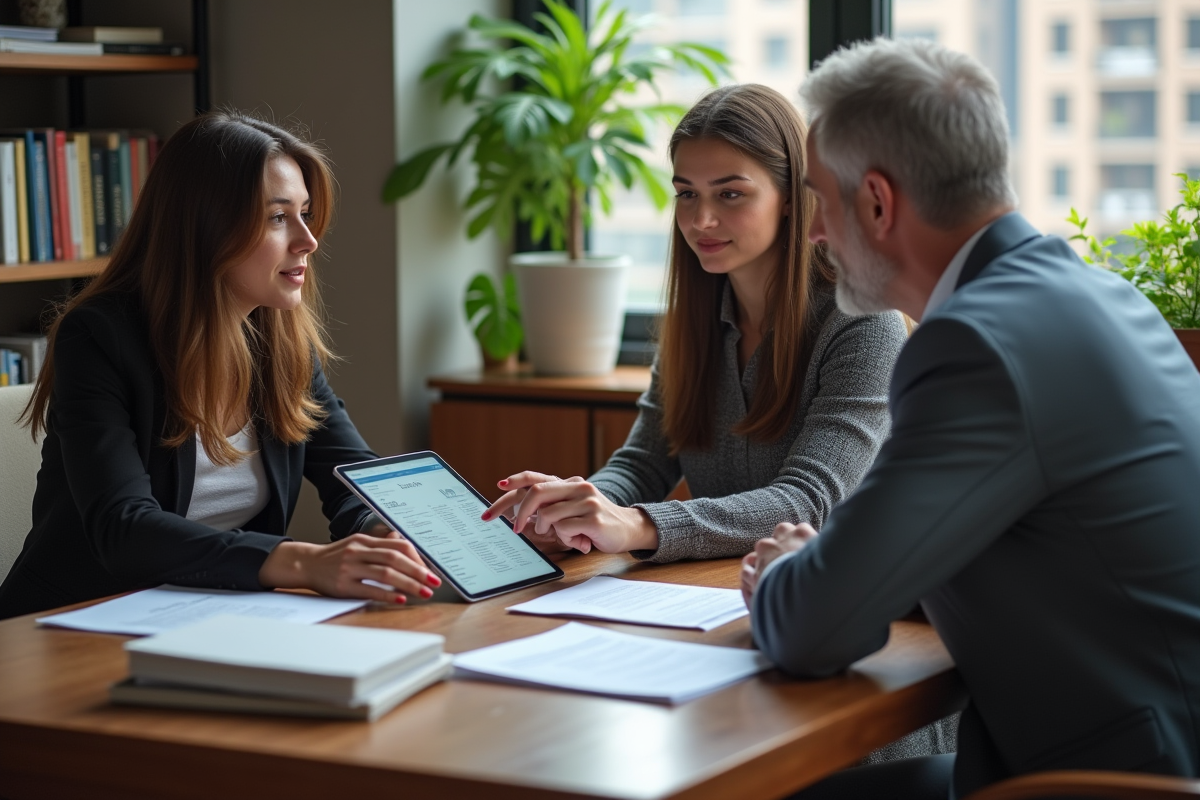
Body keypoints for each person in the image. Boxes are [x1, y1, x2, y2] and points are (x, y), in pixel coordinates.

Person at [742, 37, 1200, 799]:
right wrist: (841, 565)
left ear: (879, 203)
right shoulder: (1098, 295)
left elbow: (813, 632)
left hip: (1113, 781)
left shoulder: (974, 344)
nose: (814, 232)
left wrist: (787, 573)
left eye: (821, 199)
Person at [485, 84, 954, 763]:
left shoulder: (863, 322)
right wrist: (577, 505)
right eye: (685, 193)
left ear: (793, 195)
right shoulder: (693, 322)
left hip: (850, 681)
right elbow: (644, 463)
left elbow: (810, 503)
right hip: (728, 636)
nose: (701, 218)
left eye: (731, 193)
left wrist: (640, 526)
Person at [0, 111, 441, 620]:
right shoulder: (101, 337)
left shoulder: (278, 340)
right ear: (205, 228)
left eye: (305, 213)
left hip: (215, 615)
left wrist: (385, 531)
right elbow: (122, 528)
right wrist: (301, 561)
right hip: (73, 623)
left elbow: (353, 478)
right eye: (279, 217)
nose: (308, 240)